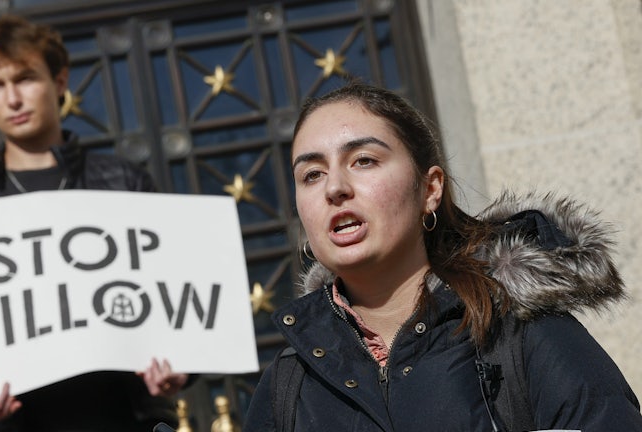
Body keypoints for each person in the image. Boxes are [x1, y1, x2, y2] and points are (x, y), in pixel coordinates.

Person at [243, 82, 642, 431]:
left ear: (430, 189)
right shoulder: (287, 386)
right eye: (311, 174)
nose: (335, 188)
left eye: (364, 160)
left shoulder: (525, 336)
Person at [0, 15, 188, 431]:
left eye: (26, 78)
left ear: (59, 81)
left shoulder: (124, 185)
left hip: (126, 420)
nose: (13, 98)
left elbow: (177, 303)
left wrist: (182, 368)